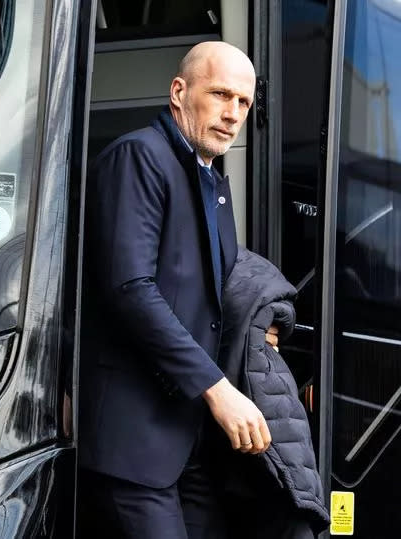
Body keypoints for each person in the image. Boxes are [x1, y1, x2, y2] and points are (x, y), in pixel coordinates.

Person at [79, 41, 279, 537]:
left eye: (244, 103)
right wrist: (219, 391)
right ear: (179, 92)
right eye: (221, 95)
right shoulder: (139, 156)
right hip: (134, 443)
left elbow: (210, 291)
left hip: (187, 440)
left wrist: (261, 328)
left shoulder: (211, 181)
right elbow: (130, 289)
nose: (233, 114)